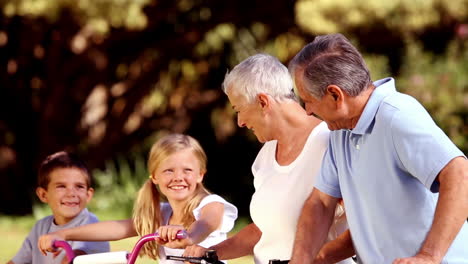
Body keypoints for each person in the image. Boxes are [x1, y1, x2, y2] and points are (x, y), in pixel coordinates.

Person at [288, 33, 468, 264]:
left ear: (335, 95)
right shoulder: (340, 132)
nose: (307, 111)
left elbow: (460, 174)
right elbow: (321, 203)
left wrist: (429, 256)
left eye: (308, 100)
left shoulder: (397, 115)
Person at [184, 54, 354, 264]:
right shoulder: (265, 156)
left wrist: (308, 261)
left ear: (263, 102)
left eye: (239, 110)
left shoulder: (330, 144)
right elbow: (262, 231)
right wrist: (209, 253)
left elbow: (363, 229)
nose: (240, 122)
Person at [37, 134, 238, 263]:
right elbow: (117, 228)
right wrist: (64, 234)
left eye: (187, 170)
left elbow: (207, 223)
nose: (178, 177)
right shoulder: (162, 213)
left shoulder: (211, 205)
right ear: (154, 176)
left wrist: (189, 237)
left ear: (200, 174)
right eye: (168, 170)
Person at [8, 151, 110, 264]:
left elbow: (73, 259)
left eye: (79, 186)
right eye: (61, 186)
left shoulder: (92, 225)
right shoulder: (40, 227)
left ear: (88, 195)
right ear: (43, 195)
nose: (71, 193)